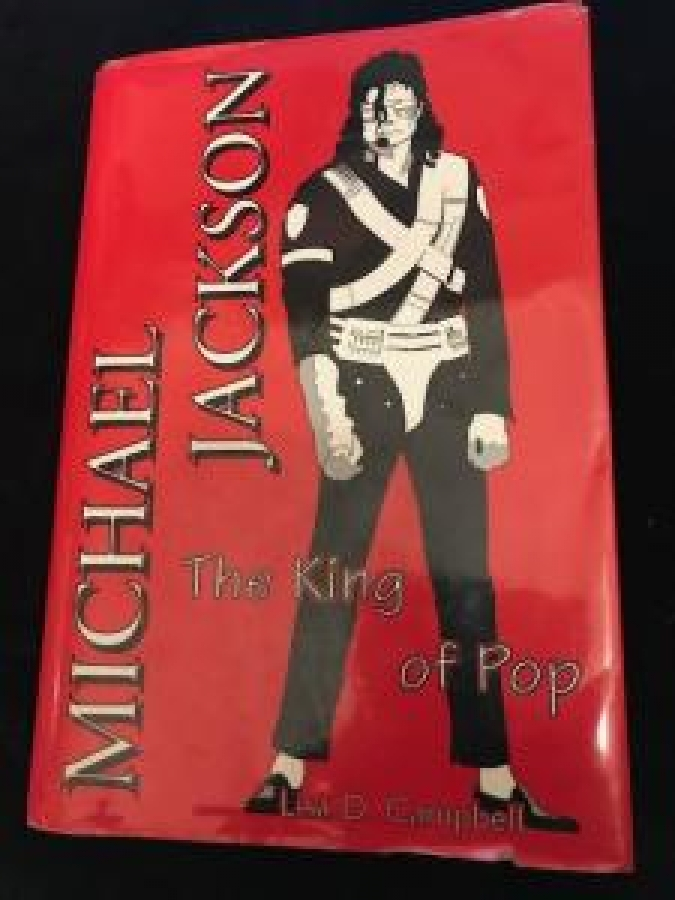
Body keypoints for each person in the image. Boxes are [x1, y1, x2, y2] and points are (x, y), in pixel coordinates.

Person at [245, 50, 577, 832]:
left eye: (397, 103)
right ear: (355, 112)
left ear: (420, 108)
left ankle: (494, 779)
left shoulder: (459, 182)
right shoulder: (321, 194)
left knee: (467, 585)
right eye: (371, 102)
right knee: (332, 575)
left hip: (449, 390)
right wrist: (326, 413)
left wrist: (491, 407)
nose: (384, 116)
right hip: (358, 390)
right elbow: (306, 314)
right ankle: (288, 764)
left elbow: (486, 293)